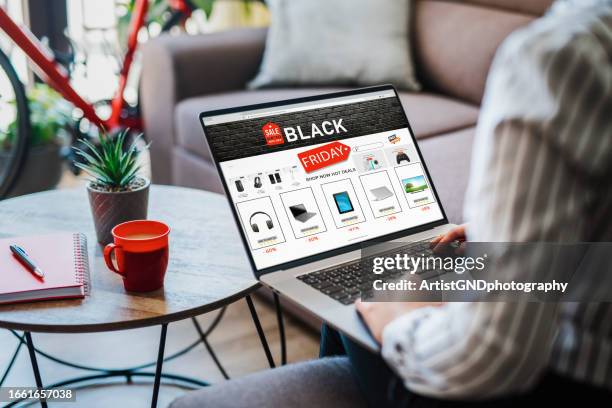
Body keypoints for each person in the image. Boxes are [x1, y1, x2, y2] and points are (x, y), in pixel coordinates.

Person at [172, 2, 612, 407]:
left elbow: (490, 357)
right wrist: (509, 238)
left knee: (358, 292)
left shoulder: (559, 55)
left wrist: (395, 318)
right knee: (366, 267)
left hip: (548, 380)